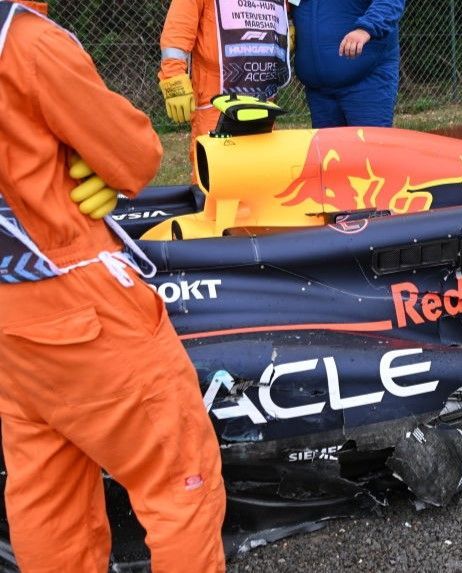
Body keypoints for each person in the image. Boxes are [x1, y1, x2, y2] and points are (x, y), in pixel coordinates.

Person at [0, 2, 226, 571]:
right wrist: (98, 164)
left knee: (47, 494)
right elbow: (133, 156)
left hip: (11, 320)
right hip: (76, 297)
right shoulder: (26, 43)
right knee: (180, 480)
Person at [158, 0, 291, 167]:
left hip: (264, 102)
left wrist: (288, 28)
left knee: (263, 173)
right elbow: (178, 29)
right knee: (216, 175)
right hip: (216, 105)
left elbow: (286, 11)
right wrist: (173, 76)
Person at [292, 0, 405, 128]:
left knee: (367, 146)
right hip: (318, 91)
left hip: (367, 82)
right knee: (327, 147)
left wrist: (366, 28)